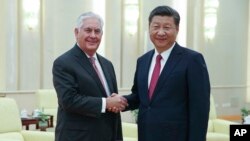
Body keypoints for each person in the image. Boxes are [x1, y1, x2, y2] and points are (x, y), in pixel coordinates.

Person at [122, 5, 211, 141]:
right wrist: (120, 101)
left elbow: (200, 109)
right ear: (149, 28)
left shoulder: (192, 59)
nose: (161, 32)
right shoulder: (143, 61)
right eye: (156, 26)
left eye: (167, 27)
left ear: (177, 29)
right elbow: (140, 97)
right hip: (146, 134)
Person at [52, 12, 127, 141]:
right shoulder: (63, 63)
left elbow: (112, 103)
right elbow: (68, 100)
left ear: (102, 35)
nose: (93, 35)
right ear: (76, 32)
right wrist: (106, 103)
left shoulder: (107, 65)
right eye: (88, 30)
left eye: (97, 31)